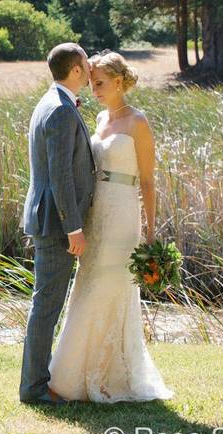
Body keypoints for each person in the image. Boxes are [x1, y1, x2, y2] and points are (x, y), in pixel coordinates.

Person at [46, 49, 174, 403]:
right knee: (87, 286)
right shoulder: (99, 118)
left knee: (110, 287)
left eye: (100, 83)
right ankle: (72, 376)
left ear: (119, 82)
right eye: (91, 83)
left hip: (122, 215)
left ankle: (107, 376)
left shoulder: (138, 122)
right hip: (95, 212)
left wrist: (149, 235)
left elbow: (148, 181)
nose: (95, 89)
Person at [19, 43, 96, 404]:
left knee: (45, 304)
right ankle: (34, 389)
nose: (91, 67)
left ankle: (39, 381)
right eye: (86, 62)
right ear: (76, 70)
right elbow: (61, 176)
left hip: (49, 219)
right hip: (56, 224)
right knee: (46, 306)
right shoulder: (61, 110)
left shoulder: (50, 102)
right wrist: (74, 228)